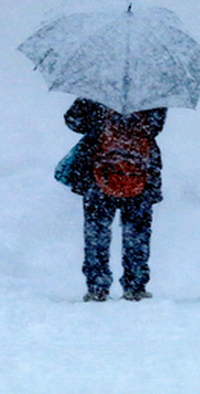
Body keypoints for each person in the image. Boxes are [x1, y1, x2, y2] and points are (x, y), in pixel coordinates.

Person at [63, 97, 166, 302]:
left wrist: (98, 120)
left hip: (99, 171)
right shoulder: (152, 93)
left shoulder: (97, 90)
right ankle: (135, 285)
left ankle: (97, 287)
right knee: (137, 232)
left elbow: (73, 121)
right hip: (140, 173)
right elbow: (154, 128)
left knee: (96, 232)